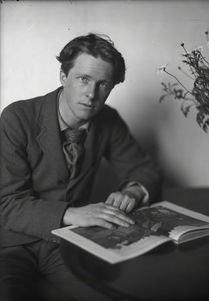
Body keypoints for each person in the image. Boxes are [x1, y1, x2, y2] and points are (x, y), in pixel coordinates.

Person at [0, 33, 162, 301]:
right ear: (63, 77)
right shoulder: (17, 118)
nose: (91, 94)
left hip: (69, 243)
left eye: (103, 84)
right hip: (11, 243)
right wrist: (72, 214)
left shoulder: (108, 120)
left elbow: (145, 169)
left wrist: (132, 191)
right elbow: (6, 203)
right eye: (83, 79)